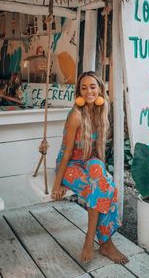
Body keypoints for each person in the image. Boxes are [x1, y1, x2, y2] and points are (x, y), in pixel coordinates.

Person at [51, 71, 128, 264]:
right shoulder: (76, 115)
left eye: (92, 87)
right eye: (83, 88)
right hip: (70, 164)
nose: (88, 91)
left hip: (89, 161)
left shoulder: (101, 111)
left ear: (100, 89)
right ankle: (101, 243)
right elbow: (67, 153)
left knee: (105, 183)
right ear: (79, 91)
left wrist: (100, 171)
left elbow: (98, 150)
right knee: (103, 188)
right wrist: (57, 184)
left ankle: (99, 243)